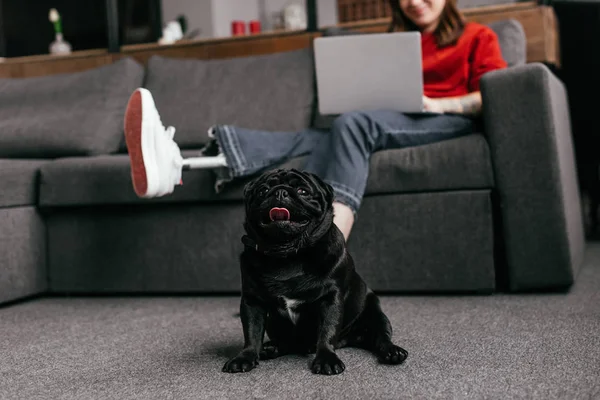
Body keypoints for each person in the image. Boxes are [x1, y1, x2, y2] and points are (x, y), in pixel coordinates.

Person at [123, 0, 507, 241]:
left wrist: (441, 106)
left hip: (447, 121)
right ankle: (180, 162)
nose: (414, 2)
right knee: (317, 135)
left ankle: (330, 250)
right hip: (389, 119)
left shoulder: (478, 36)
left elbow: (489, 96)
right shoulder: (395, 42)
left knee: (353, 126)